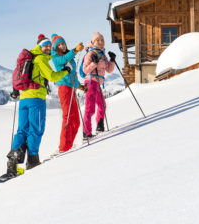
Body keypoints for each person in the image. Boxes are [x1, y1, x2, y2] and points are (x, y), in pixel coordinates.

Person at [6, 34, 70, 176]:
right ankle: (33, 161)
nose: (48, 47)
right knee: (36, 129)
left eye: (49, 46)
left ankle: (12, 165)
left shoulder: (30, 57)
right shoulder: (40, 59)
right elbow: (52, 76)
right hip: (36, 98)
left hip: (24, 98)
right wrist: (66, 70)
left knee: (22, 130)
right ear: (40, 46)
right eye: (45, 45)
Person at [51, 34, 85, 152]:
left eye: (63, 43)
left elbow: (72, 76)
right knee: (68, 118)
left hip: (71, 89)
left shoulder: (69, 56)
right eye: (59, 44)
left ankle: (68, 145)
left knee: (76, 121)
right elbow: (63, 60)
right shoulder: (56, 57)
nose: (62, 46)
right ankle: (63, 147)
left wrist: (79, 86)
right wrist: (75, 50)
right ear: (56, 48)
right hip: (64, 89)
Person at [82, 32, 116, 138]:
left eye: (102, 40)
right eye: (98, 40)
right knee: (90, 108)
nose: (101, 42)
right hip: (91, 82)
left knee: (102, 105)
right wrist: (94, 63)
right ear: (94, 42)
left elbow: (109, 70)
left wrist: (112, 60)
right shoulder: (90, 54)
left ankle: (100, 126)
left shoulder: (102, 54)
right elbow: (85, 70)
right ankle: (86, 133)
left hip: (98, 84)